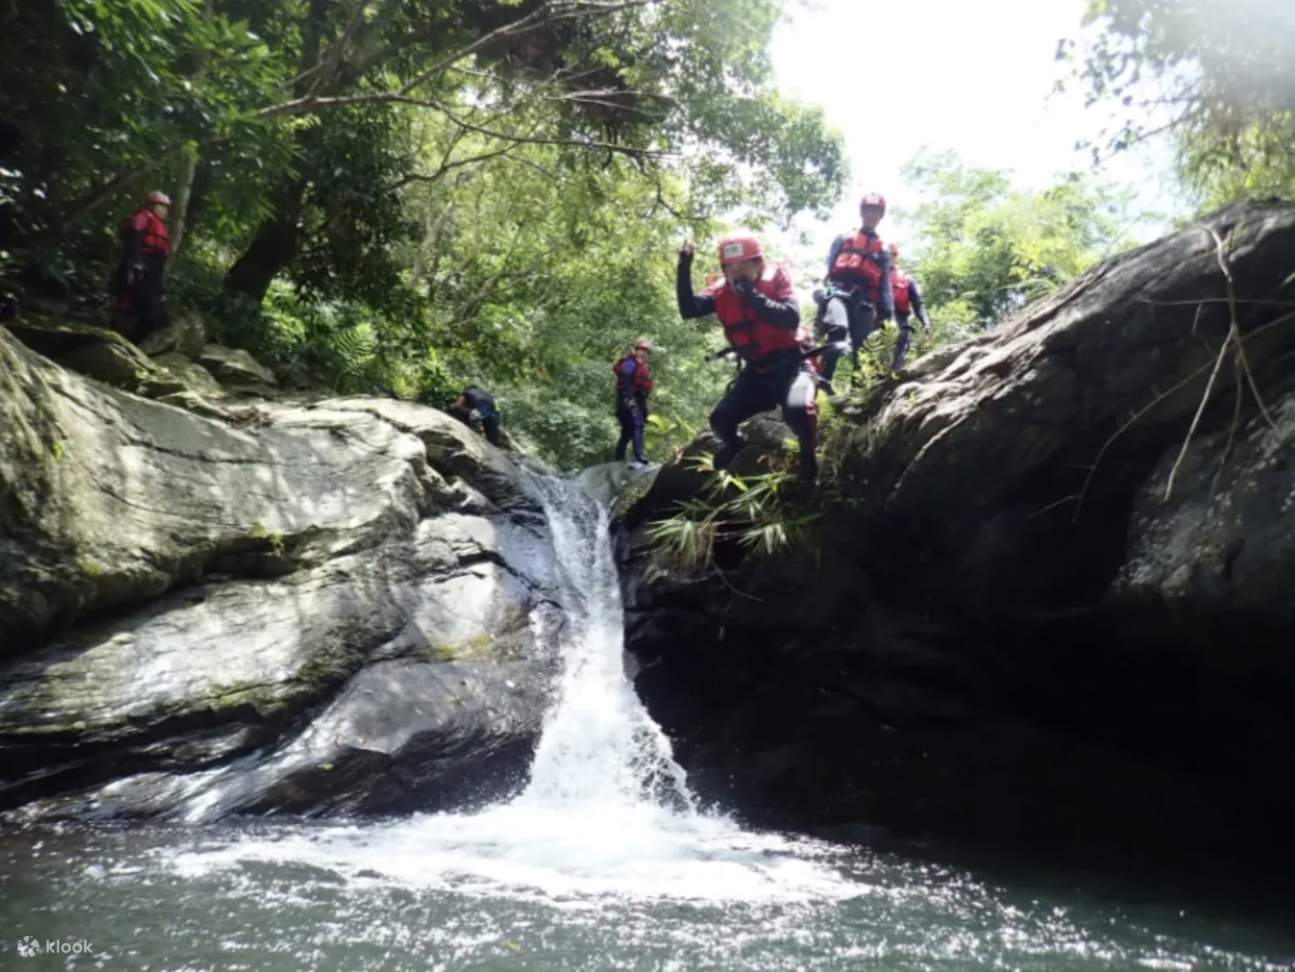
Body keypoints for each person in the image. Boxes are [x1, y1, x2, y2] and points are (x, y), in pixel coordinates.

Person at [677, 235, 819, 487]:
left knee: (798, 409)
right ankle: (737, 448)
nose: (737, 273)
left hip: (793, 364)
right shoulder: (721, 291)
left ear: (758, 264)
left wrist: (752, 296)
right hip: (758, 374)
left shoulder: (776, 277)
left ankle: (808, 468)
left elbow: (790, 319)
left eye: (744, 265)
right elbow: (689, 309)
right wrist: (684, 265)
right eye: (730, 267)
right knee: (720, 419)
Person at [818, 191, 893, 388]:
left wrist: (887, 314)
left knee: (863, 346)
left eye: (875, 211)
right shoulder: (843, 238)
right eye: (868, 210)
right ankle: (823, 380)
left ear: (881, 216)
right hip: (837, 292)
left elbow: (885, 283)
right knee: (838, 330)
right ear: (861, 212)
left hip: (864, 300)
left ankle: (858, 392)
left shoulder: (883, 250)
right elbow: (828, 265)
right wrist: (821, 293)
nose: (871, 215)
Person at [111, 190, 172, 342]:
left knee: (155, 315)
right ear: (152, 206)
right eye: (161, 207)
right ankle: (119, 339)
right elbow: (133, 240)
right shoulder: (143, 218)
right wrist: (135, 262)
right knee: (132, 308)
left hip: (152, 270)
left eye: (166, 208)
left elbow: (161, 257)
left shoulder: (160, 226)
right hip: (139, 267)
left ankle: (132, 342)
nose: (164, 211)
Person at [887, 242, 931, 372]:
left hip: (900, 318)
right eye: (887, 255)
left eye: (893, 254)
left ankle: (896, 371)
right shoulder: (874, 275)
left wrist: (925, 322)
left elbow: (918, 303)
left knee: (903, 333)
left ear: (896, 256)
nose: (890, 257)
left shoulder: (906, 278)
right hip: (877, 317)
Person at [613, 338, 654, 467]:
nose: (644, 353)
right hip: (627, 398)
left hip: (637, 399)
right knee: (637, 424)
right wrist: (629, 399)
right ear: (636, 350)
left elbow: (643, 391)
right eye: (641, 350)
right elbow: (626, 381)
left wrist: (644, 409)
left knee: (628, 432)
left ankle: (618, 457)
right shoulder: (629, 363)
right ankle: (639, 455)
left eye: (646, 351)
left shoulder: (643, 367)